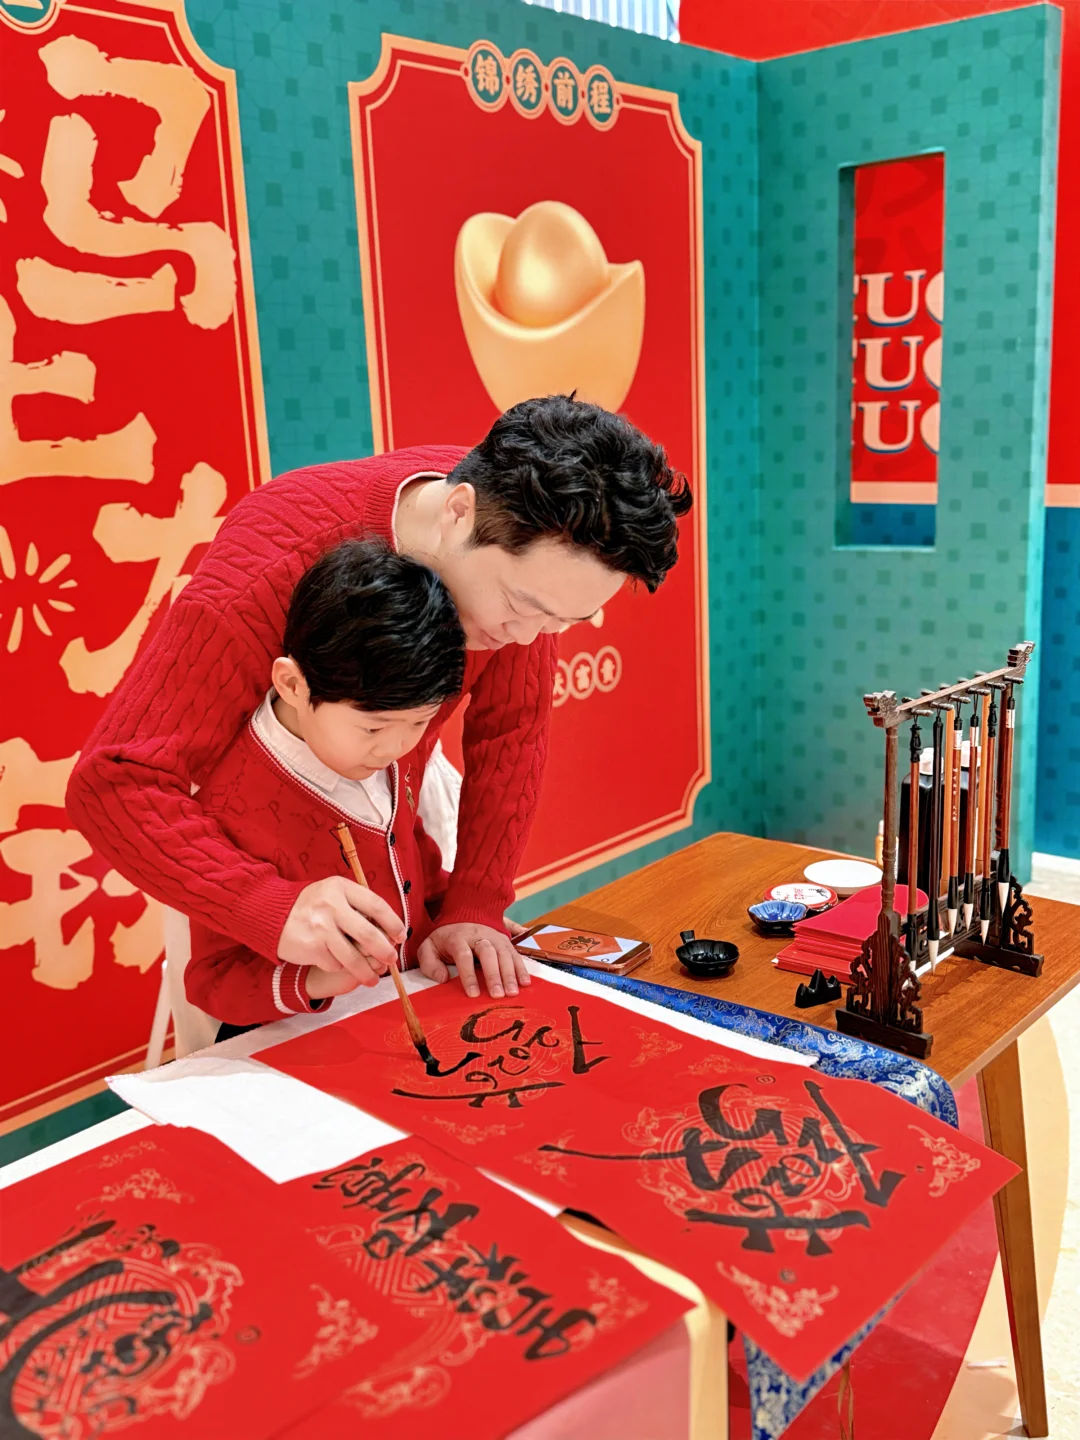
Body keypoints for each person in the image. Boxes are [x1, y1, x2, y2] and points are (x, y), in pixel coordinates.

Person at [67, 394, 691, 1000]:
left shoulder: (536, 544)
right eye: (519, 605)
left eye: (562, 622)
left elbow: (512, 732)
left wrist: (475, 900)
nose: (527, 639)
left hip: (397, 826)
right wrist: (267, 904)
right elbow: (115, 781)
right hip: (250, 865)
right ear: (459, 512)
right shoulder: (270, 564)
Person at [184, 539, 465, 1034]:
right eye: (373, 728)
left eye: (420, 722)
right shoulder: (229, 807)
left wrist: (455, 919)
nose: (394, 748)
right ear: (294, 685)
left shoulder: (393, 742)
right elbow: (214, 981)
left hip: (415, 1011)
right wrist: (317, 979)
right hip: (297, 1038)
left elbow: (415, 857)